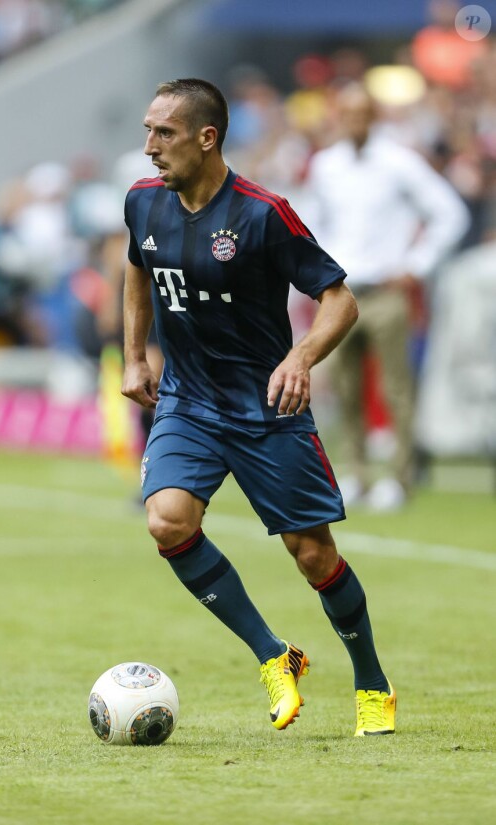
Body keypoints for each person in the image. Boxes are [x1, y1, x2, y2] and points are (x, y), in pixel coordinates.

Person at [121, 78, 395, 737]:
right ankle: (274, 653)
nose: (150, 146)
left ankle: (373, 685)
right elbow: (137, 267)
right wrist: (134, 354)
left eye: (165, 133)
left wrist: (300, 358)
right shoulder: (142, 203)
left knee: (314, 556)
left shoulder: (262, 213)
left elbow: (340, 301)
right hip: (188, 400)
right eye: (148, 131)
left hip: (265, 407)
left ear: (206, 138)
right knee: (166, 519)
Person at [305, 82, 470, 511]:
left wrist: (416, 265)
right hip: (340, 292)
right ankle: (357, 473)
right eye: (348, 113)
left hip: (384, 290)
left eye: (363, 113)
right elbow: (312, 226)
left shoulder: (399, 162)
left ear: (374, 116)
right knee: (345, 387)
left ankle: (400, 475)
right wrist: (315, 278)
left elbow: (449, 212)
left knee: (396, 388)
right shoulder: (326, 166)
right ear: (338, 115)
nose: (355, 121)